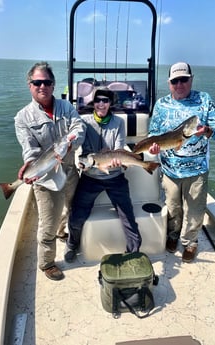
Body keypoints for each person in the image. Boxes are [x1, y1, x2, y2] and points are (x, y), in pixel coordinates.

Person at [15, 61, 86, 280]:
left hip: (70, 170)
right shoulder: (22, 118)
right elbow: (29, 149)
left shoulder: (66, 107)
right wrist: (30, 164)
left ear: (54, 85)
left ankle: (62, 231)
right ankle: (46, 263)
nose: (42, 86)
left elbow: (79, 128)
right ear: (30, 85)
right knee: (48, 222)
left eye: (46, 82)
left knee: (71, 208)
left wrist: (71, 142)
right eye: (37, 82)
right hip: (45, 177)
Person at [148, 62, 215, 263]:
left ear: (191, 79)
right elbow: (153, 133)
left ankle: (190, 242)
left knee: (195, 209)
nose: (179, 84)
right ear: (169, 83)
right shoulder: (161, 104)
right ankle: (173, 236)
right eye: (175, 81)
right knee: (172, 207)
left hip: (197, 169)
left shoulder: (204, 100)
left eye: (184, 79)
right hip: (170, 169)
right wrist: (153, 147)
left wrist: (207, 130)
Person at [64, 88, 142, 262]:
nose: (101, 104)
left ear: (110, 103)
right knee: (77, 215)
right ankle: (71, 243)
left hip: (115, 177)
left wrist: (117, 161)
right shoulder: (84, 121)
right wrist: (79, 160)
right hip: (90, 177)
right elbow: (77, 143)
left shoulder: (119, 122)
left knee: (128, 217)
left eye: (105, 101)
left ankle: (134, 252)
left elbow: (119, 147)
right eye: (98, 100)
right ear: (93, 102)